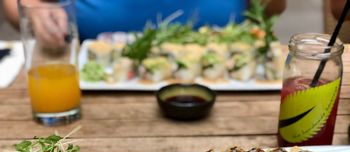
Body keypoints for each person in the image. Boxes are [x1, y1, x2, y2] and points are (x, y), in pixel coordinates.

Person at [3, 0, 285, 46]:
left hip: (232, 86)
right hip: (87, 85)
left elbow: (273, 8)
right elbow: (15, 6)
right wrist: (33, 8)